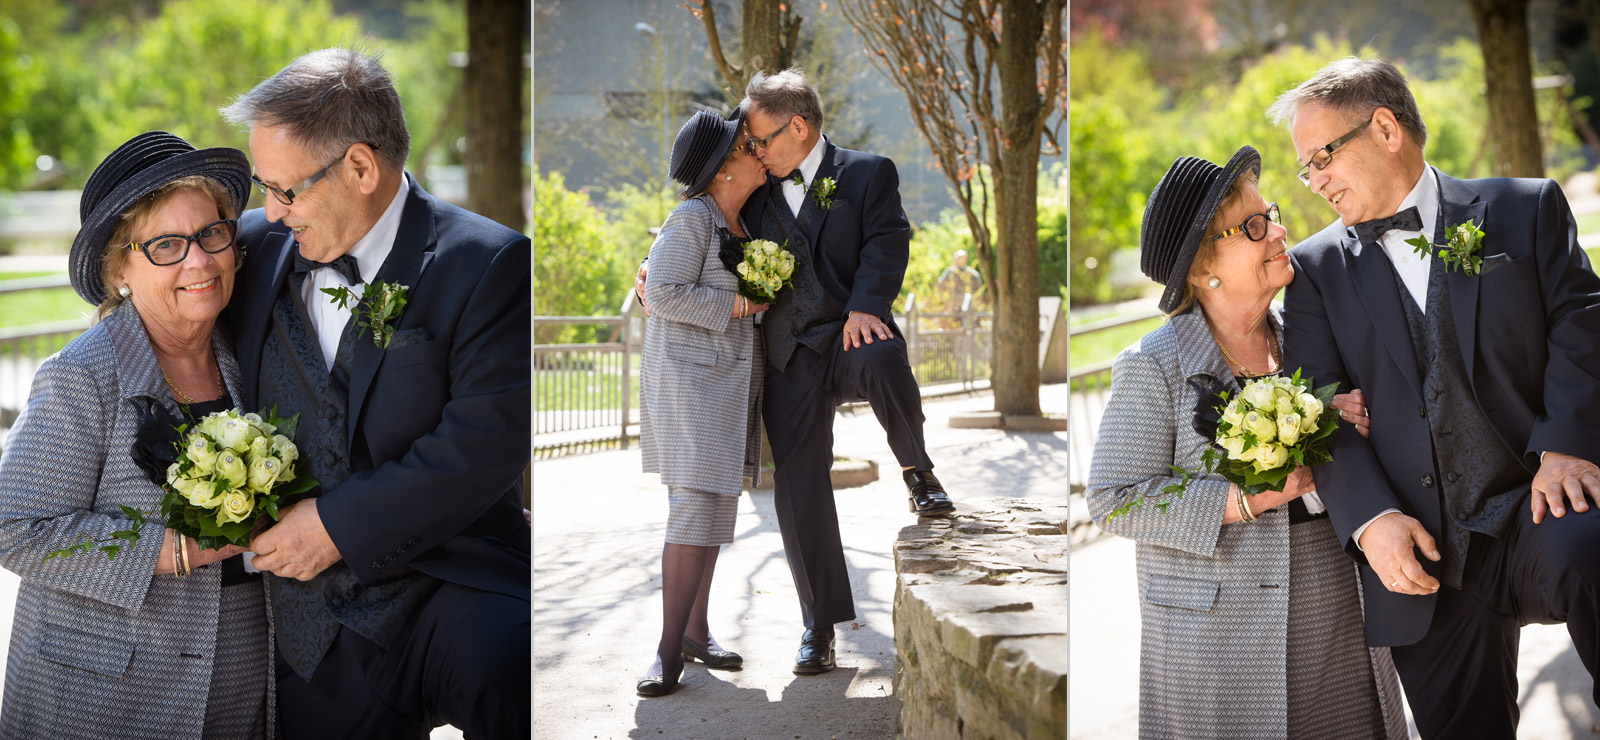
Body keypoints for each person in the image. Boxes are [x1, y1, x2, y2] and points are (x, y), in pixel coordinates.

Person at [1273, 57, 1600, 738]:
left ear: (1386, 129)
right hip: (1422, 555)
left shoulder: (1523, 207)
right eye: (1306, 169)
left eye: (1321, 157)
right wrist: (1372, 521)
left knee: (1592, 545)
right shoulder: (1313, 272)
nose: (1314, 181)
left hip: (1538, 508)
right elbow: (1316, 416)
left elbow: (1583, 321)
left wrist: (1567, 443)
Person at [220, 48, 530, 739]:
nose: (269, 213)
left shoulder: (490, 263)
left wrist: (336, 528)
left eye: (285, 190)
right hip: (306, 623)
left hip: (450, 583)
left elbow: (487, 440)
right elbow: (159, 297)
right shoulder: (247, 251)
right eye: (261, 188)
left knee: (515, 673)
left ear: (360, 168)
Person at [638, 68, 956, 675]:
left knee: (885, 355)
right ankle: (820, 624)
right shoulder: (754, 190)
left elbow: (889, 240)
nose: (753, 151)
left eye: (760, 140)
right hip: (785, 356)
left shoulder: (867, 173)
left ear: (799, 126)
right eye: (748, 145)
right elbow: (694, 227)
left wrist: (867, 304)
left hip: (848, 334)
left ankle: (919, 470)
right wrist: (646, 275)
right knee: (797, 483)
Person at [1087, 146, 1406, 739]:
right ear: (1202, 263)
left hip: (1335, 605)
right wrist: (1245, 499)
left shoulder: (1314, 340)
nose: (1280, 231)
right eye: (1255, 225)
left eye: (1273, 213)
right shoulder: (1154, 366)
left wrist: (1350, 427)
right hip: (1216, 636)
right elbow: (1112, 498)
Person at [0, 131, 272, 738]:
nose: (198, 261)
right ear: (120, 267)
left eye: (210, 234)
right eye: (166, 245)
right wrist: (179, 549)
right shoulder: (81, 376)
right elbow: (12, 526)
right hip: (100, 698)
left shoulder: (251, 358)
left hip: (239, 683)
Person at [634, 107, 770, 697]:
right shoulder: (691, 217)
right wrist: (741, 306)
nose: (757, 149)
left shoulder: (741, 220)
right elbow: (660, 291)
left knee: (716, 510)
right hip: (691, 386)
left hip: (732, 382)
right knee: (692, 511)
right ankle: (666, 653)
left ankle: (695, 633)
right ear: (721, 171)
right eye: (746, 144)